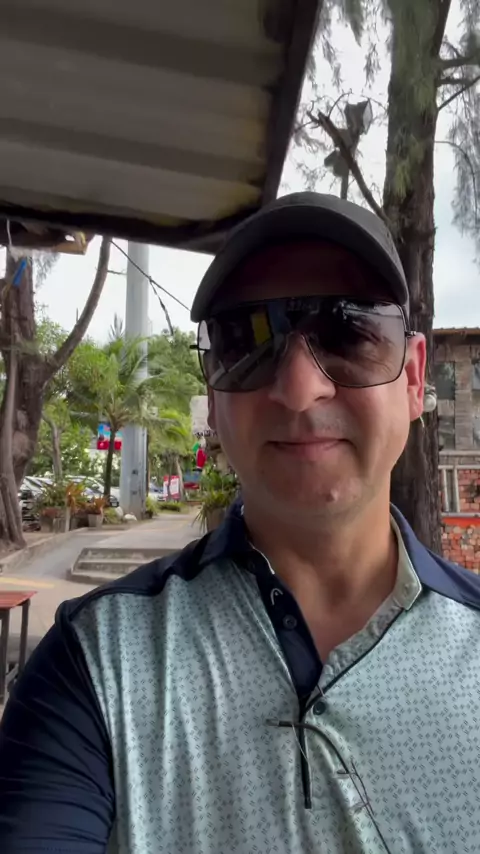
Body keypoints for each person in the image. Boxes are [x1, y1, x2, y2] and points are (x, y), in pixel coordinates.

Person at [1, 192, 480, 854]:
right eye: (246, 340)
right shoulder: (93, 664)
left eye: (348, 333)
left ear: (413, 378)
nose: (300, 388)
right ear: (214, 394)